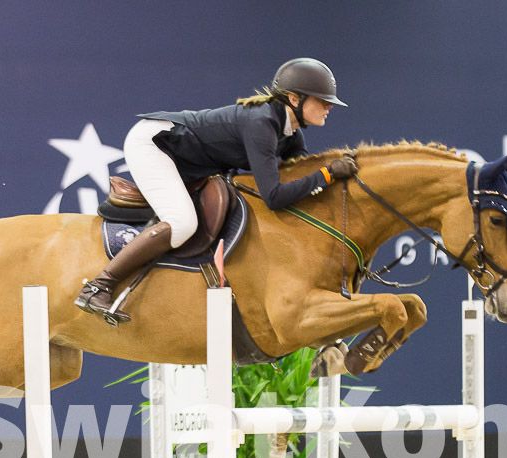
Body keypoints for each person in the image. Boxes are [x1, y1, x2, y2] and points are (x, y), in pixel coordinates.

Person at [76, 57, 358, 323]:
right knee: (182, 224)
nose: (329, 107)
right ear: (294, 99)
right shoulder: (262, 124)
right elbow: (274, 197)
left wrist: (334, 173)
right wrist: (327, 173)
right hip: (153, 143)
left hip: (184, 157)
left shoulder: (290, 133)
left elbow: (302, 176)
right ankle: (98, 286)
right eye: (322, 101)